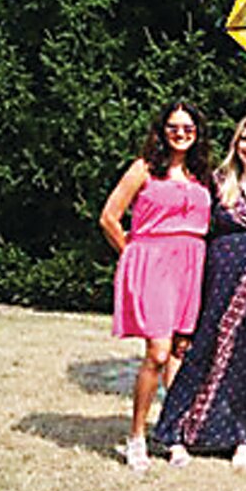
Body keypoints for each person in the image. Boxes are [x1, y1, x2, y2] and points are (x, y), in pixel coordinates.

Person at [154, 113, 246, 470]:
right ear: (236, 143)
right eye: (245, 139)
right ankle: (188, 434)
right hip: (222, 278)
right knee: (207, 352)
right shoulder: (219, 179)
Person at [100, 101, 212, 472]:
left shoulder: (203, 175)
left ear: (197, 132)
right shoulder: (143, 169)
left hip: (192, 265)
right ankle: (136, 436)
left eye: (188, 127)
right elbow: (109, 217)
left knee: (181, 349)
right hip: (154, 264)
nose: (181, 133)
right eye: (174, 127)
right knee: (158, 352)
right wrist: (132, 254)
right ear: (162, 131)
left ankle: (173, 433)